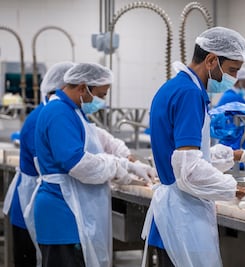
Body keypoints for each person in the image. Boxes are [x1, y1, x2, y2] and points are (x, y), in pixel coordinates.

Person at [141, 26, 245, 267]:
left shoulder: (176, 88)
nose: (234, 79)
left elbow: (191, 157)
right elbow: (190, 171)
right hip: (182, 219)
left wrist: (242, 155)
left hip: (174, 214)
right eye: (232, 70)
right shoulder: (189, 94)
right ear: (211, 60)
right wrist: (243, 193)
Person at [25, 62, 156, 267]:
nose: (102, 101)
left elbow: (94, 146)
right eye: (101, 95)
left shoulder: (71, 110)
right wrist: (118, 169)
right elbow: (78, 163)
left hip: (70, 210)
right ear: (83, 87)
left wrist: (129, 165)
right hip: (63, 213)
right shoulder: (59, 112)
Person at [3, 61, 75, 267]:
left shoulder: (58, 113)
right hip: (31, 203)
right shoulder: (45, 117)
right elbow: (53, 162)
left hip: (42, 202)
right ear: (63, 89)